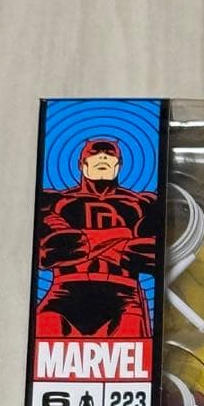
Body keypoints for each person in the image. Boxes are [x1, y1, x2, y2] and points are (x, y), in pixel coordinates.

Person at [36, 138, 158, 338]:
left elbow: (153, 256)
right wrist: (121, 235)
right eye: (95, 153)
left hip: (124, 294)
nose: (102, 157)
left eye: (109, 154)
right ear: (81, 164)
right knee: (45, 326)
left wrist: (82, 242)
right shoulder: (54, 201)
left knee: (132, 336)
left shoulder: (143, 203)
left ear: (118, 165)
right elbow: (48, 252)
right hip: (64, 292)